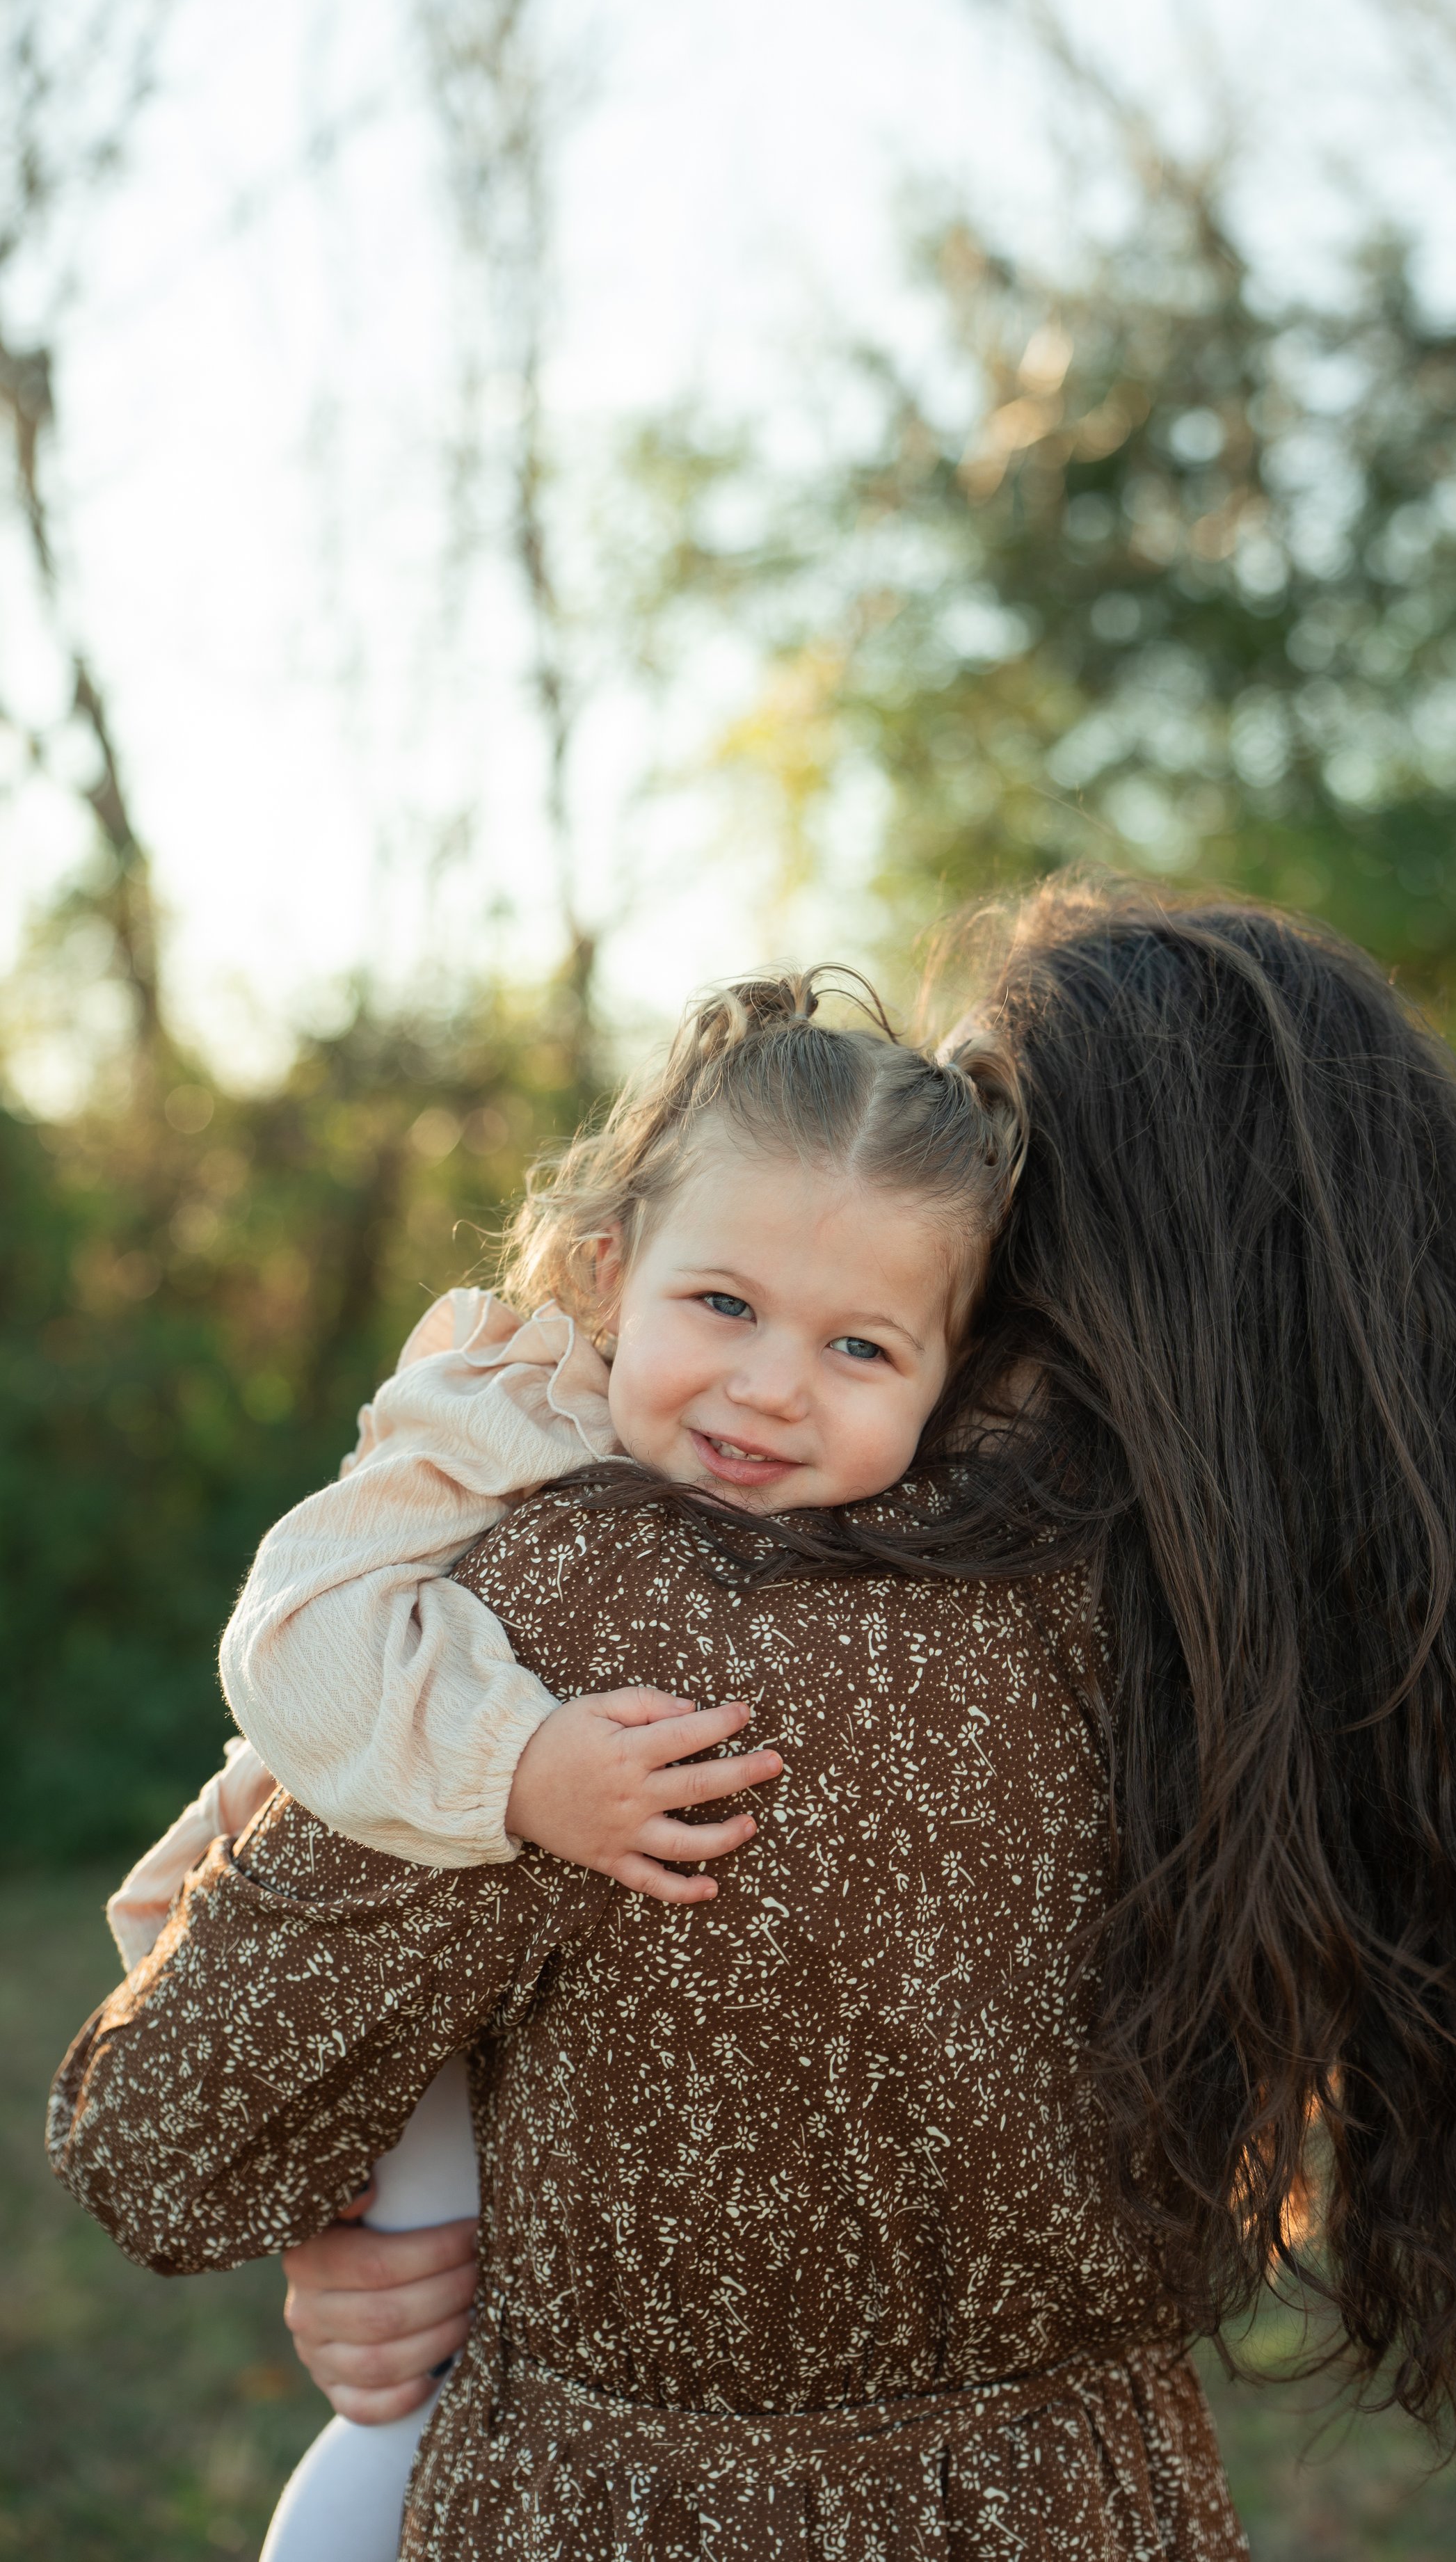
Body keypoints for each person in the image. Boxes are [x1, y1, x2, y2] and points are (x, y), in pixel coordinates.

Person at [51, 880, 1456, 2559]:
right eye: (727, 1305)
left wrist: (362, 2227)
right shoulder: (1281, 1667)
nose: (776, 1379)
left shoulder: (614, 1611)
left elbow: (165, 2147)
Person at [98, 966, 1027, 2562]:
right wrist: (521, 1765)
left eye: (858, 1347)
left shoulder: (913, 1559)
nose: (767, 1384)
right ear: (610, 1275)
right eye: (721, 1306)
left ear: (951, 1378)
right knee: (409, 2352)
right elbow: (292, 1635)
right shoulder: (511, 1418)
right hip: (342, 1887)